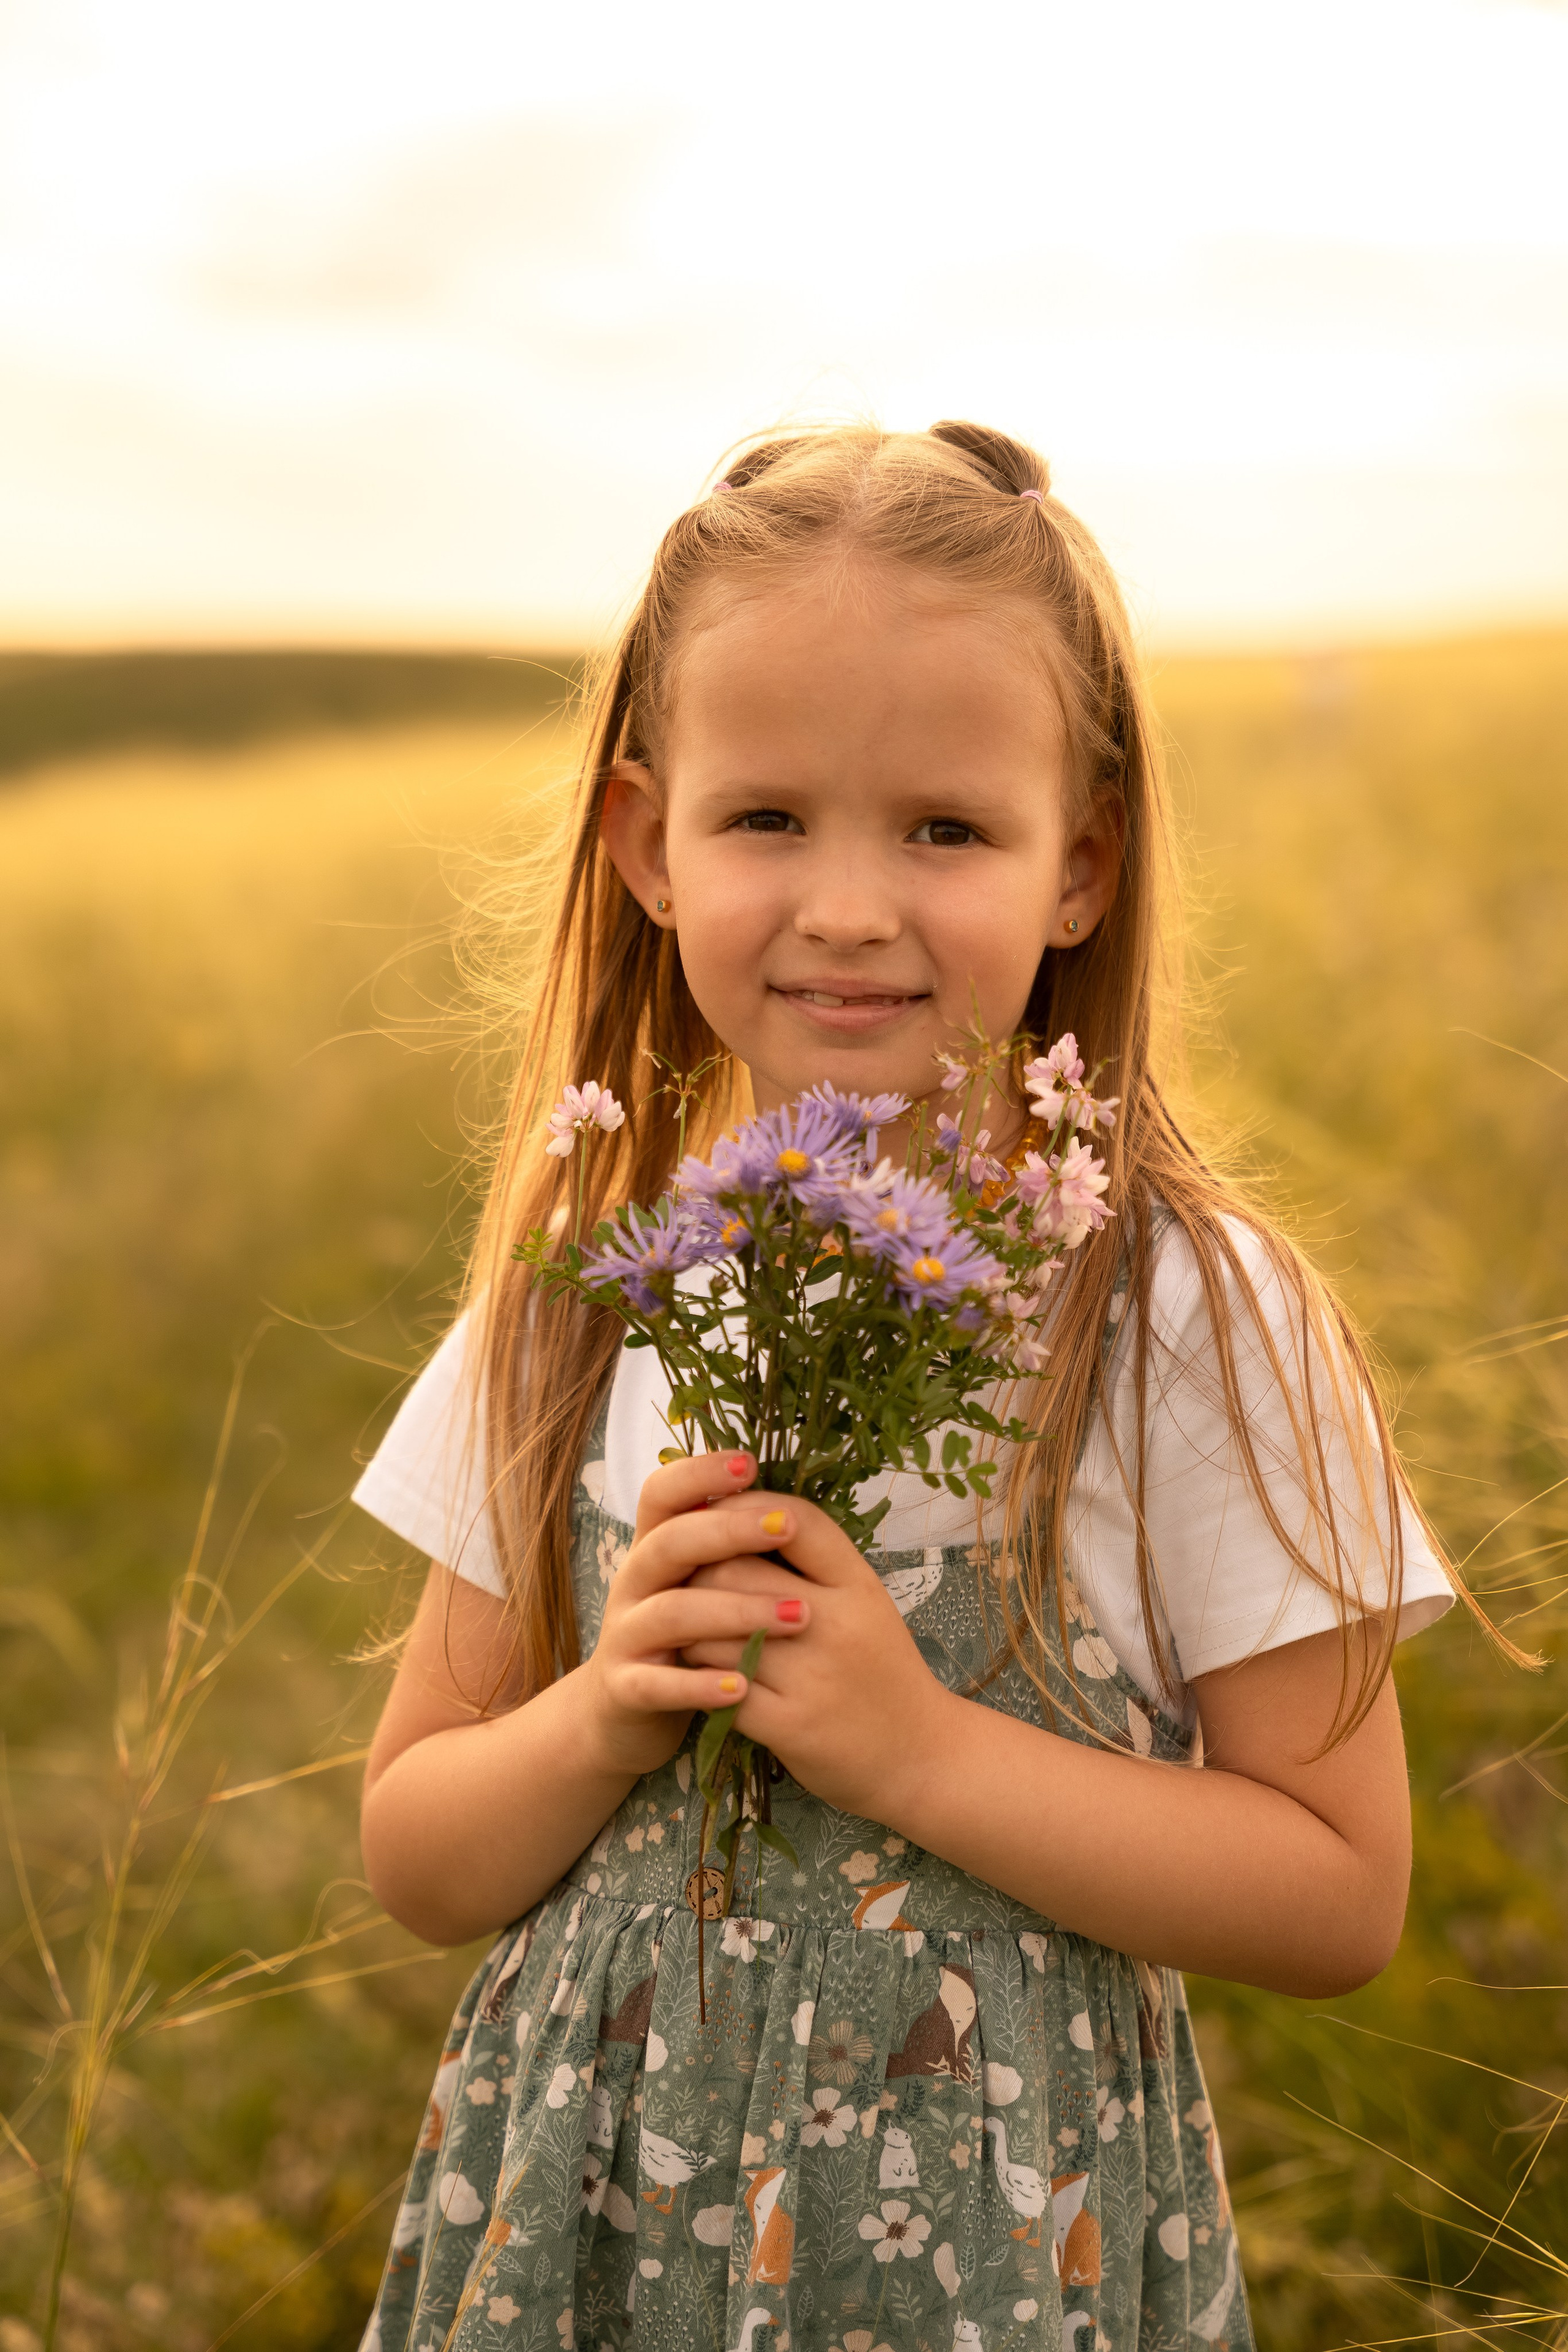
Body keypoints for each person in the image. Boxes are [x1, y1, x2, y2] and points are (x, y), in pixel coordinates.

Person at [350, 423, 1474, 2352]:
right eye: (767, 818)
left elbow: (1341, 1887)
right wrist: (605, 1712)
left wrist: (923, 1753)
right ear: (645, 845)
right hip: (602, 2229)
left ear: (1080, 865)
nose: (852, 905)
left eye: (945, 829)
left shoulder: (1186, 1313)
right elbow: (416, 1849)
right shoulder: (587, 1299)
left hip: (992, 2256)